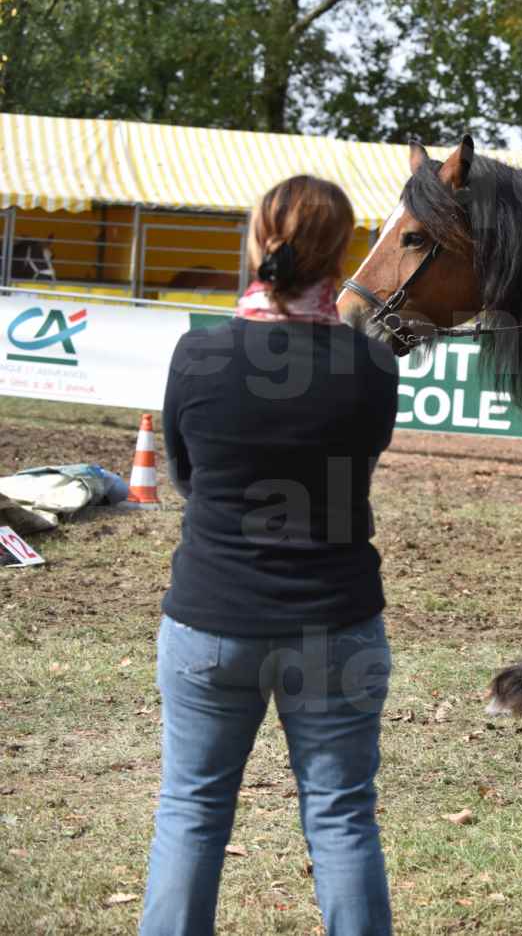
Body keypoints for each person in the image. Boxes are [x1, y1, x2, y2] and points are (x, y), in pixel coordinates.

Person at [141, 175, 400, 936]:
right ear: (343, 253)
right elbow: (360, 463)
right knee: (342, 816)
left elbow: (185, 476)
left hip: (212, 618)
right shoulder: (372, 367)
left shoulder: (198, 354)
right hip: (336, 625)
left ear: (260, 240)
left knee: (190, 810)